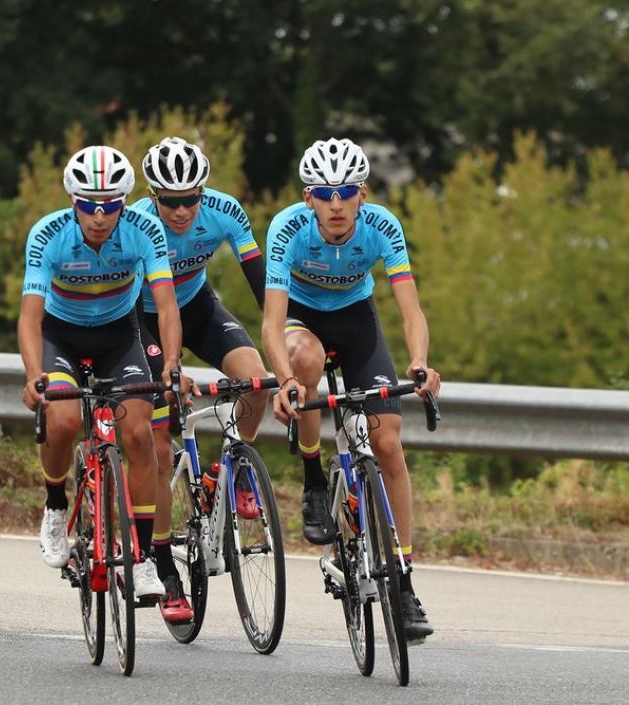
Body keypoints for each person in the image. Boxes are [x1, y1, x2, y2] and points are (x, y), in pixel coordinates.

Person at [262, 137, 441, 641]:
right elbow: (272, 324)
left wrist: (421, 362)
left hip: (358, 321)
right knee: (307, 359)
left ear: (362, 194)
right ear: (308, 198)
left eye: (345, 191)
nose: (335, 203)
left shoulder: (383, 226)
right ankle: (315, 479)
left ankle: (403, 581)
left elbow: (410, 308)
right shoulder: (288, 229)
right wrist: (286, 382)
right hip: (302, 319)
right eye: (324, 193)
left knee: (386, 443)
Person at [18, 145, 183, 601]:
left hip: (118, 334)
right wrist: (34, 373)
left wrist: (170, 361)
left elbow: (166, 305)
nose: (99, 216)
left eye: (110, 205)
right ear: (73, 202)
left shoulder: (145, 230)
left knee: (138, 434)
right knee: (65, 420)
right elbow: (30, 317)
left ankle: (144, 557)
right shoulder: (47, 234)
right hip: (60, 336)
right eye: (89, 206)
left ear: (123, 202)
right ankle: (55, 505)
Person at [132, 137, 271, 623]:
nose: (181, 210)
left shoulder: (225, 212)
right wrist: (170, 368)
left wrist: (287, 340)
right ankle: (164, 567)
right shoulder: (136, 225)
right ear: (153, 198)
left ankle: (225, 474)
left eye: (191, 198)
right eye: (170, 201)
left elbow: (264, 288)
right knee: (159, 445)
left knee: (259, 383)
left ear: (203, 193)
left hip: (198, 307)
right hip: (142, 318)